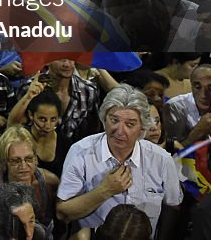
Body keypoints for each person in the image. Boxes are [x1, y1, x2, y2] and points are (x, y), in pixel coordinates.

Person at [56, 85, 181, 235]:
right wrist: (104, 190)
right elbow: (62, 213)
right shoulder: (81, 152)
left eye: (130, 124)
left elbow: (172, 207)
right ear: (104, 119)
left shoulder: (162, 159)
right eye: (114, 120)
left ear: (142, 128)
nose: (120, 130)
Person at [0, 127, 57, 236]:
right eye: (15, 160)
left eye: (28, 159)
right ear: (4, 161)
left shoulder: (50, 182)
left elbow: (63, 226)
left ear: (36, 158)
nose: (23, 166)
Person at [165, 64, 211, 150]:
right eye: (197, 87)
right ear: (191, 87)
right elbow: (170, 154)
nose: (203, 94)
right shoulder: (175, 107)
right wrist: (198, 132)